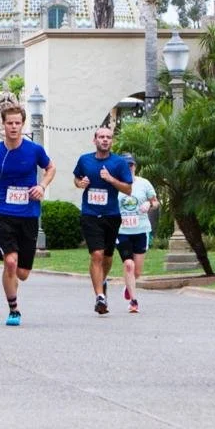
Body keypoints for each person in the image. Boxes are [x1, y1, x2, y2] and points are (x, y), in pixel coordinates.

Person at [0, 104, 55, 326]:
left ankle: (14, 283)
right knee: (10, 262)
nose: (13, 127)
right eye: (9, 123)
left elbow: (51, 168)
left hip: (29, 213)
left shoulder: (34, 150)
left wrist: (42, 185)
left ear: (23, 124)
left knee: (22, 273)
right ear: (3, 124)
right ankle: (13, 309)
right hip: (2, 212)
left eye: (17, 123)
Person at [73, 126, 133, 315]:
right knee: (96, 255)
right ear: (95, 140)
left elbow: (128, 189)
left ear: (111, 141)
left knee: (107, 257)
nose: (105, 140)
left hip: (111, 215)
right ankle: (100, 296)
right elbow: (77, 178)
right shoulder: (85, 160)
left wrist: (111, 179)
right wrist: (80, 183)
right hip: (90, 214)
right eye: (101, 137)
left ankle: (102, 280)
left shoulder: (119, 163)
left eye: (108, 137)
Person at [116, 153, 159, 314]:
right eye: (126, 165)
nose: (129, 168)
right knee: (129, 265)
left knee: (137, 271)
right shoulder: (116, 184)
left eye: (131, 165)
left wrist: (149, 204)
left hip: (141, 230)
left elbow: (156, 202)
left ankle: (129, 286)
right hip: (122, 231)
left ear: (135, 166)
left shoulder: (144, 183)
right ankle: (134, 302)